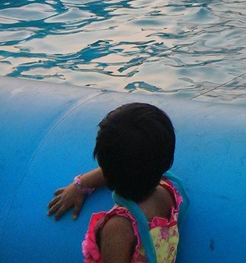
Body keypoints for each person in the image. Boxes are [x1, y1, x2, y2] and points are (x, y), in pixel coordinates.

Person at [47, 103, 187, 263]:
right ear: (166, 162)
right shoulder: (167, 192)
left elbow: (123, 166)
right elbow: (135, 164)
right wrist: (82, 184)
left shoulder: (118, 228)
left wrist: (80, 184)